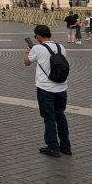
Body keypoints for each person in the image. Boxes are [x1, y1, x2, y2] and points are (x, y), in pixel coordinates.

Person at [23, 25, 71, 158]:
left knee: (49, 118)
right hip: (61, 88)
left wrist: (28, 51)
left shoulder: (37, 48)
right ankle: (66, 146)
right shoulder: (61, 47)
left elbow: (27, 63)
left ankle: (52, 147)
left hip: (45, 89)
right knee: (60, 116)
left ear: (38, 36)